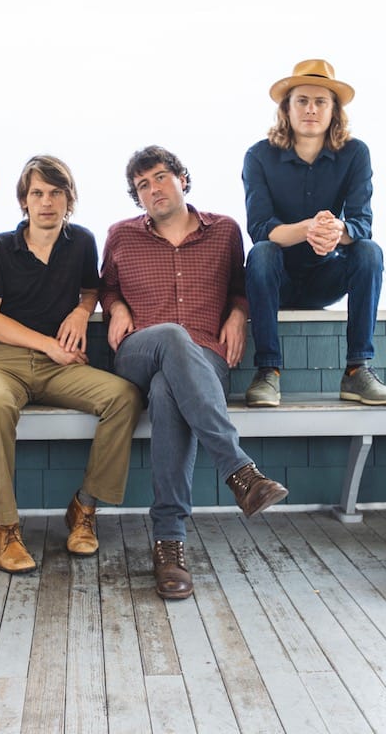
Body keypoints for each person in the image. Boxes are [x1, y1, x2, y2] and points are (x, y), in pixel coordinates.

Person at [100, 145, 288, 600]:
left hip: (207, 359)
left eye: (161, 177)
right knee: (170, 338)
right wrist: (118, 305)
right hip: (140, 352)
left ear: (182, 179)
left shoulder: (224, 231)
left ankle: (170, 544)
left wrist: (240, 313)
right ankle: (240, 471)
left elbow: (244, 288)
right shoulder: (120, 236)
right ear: (137, 198)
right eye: (142, 185)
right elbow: (105, 287)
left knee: (169, 392)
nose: (153, 189)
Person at [0, 155, 143, 574]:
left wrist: (83, 311)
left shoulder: (81, 242)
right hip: (2, 361)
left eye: (56, 192)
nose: (46, 201)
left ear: (69, 199)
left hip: (60, 366)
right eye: (37, 193)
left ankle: (84, 509)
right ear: (24, 201)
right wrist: (49, 344)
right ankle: (5, 528)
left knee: (125, 396)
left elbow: (91, 289)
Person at [242, 59, 386, 408]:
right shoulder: (258, 156)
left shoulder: (355, 153)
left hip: (325, 277)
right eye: (302, 100)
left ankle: (358, 371)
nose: (311, 109)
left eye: (321, 102)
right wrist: (309, 228)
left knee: (369, 251)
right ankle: (268, 372)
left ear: (333, 111)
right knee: (262, 253)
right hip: (276, 279)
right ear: (287, 108)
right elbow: (259, 230)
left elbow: (362, 222)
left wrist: (336, 231)